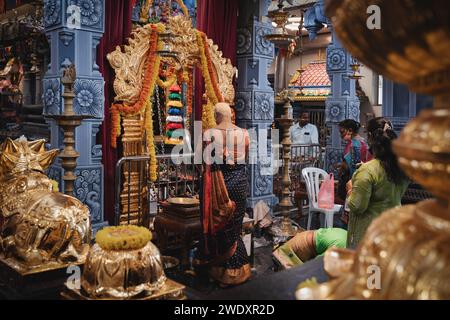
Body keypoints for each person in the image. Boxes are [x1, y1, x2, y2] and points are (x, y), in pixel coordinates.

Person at [197, 102, 251, 286]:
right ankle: (239, 270)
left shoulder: (209, 134)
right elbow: (247, 157)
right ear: (230, 114)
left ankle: (222, 272)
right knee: (234, 225)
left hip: (219, 184)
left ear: (217, 115)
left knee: (219, 225)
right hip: (239, 182)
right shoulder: (244, 134)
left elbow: (203, 160)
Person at [346, 117, 409, 248]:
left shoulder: (368, 170)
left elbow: (357, 206)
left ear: (369, 137)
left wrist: (350, 188)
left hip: (370, 235)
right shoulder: (402, 168)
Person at [337, 119, 372, 224]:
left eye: (342, 132)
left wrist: (342, 167)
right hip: (363, 181)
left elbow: (352, 166)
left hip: (353, 182)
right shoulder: (363, 141)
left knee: (350, 219)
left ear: (350, 131)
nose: (341, 135)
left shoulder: (353, 145)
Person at [272, 228, 348, 269]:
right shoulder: (342, 247)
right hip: (302, 246)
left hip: (306, 238)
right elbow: (317, 264)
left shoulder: (348, 236)